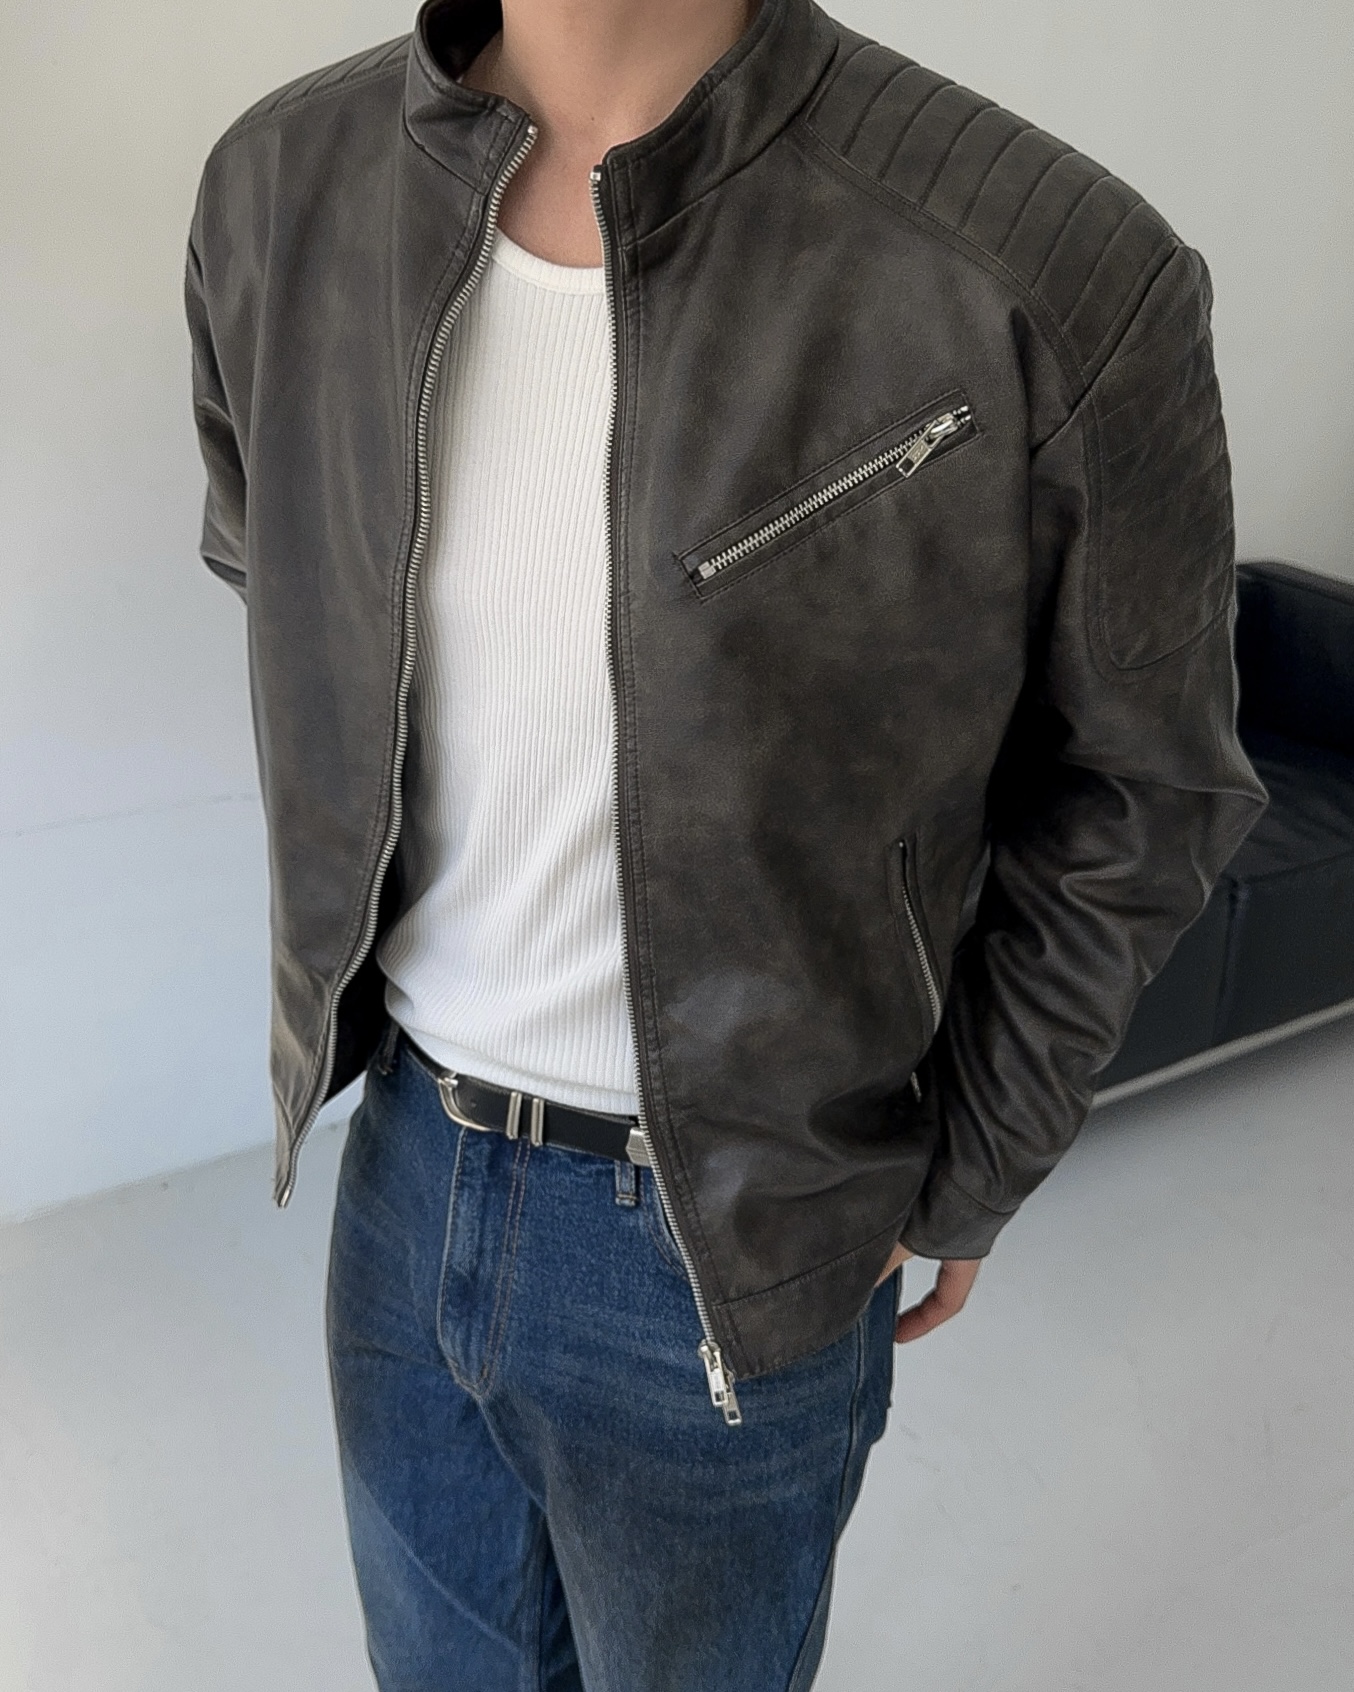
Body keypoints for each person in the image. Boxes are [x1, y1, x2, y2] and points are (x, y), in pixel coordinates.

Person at [183, 0, 1268, 1685]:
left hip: (729, 1239)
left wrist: (972, 1160)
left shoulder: (1039, 259)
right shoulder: (282, 184)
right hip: (400, 1168)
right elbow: (282, 575)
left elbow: (1145, 788)